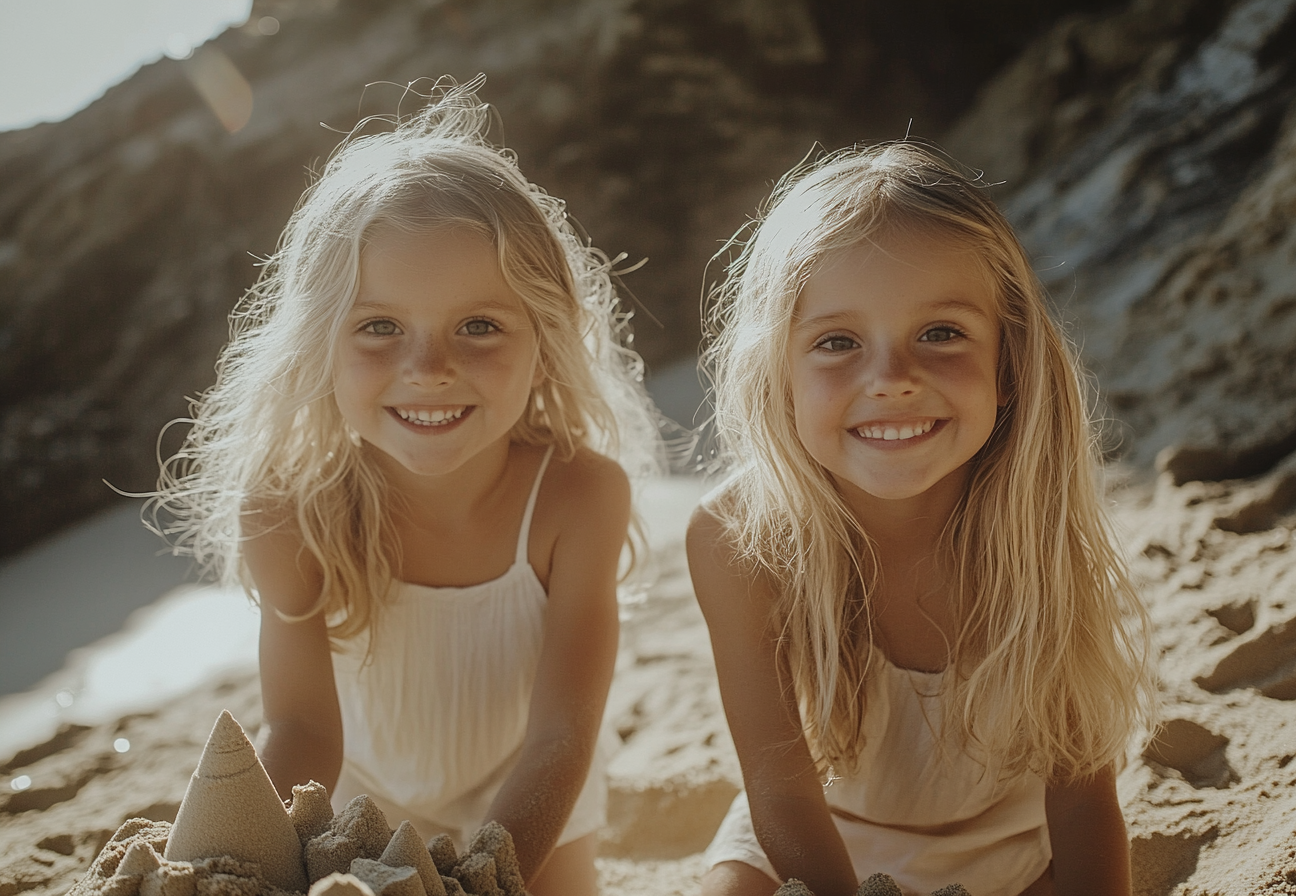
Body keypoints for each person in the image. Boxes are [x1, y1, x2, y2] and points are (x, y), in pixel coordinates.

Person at [153, 77, 662, 896]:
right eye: (379, 327)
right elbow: (303, 727)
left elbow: (563, 733)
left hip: (534, 795)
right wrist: (247, 861)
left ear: (547, 335)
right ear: (320, 342)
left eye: (479, 326)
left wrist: (491, 871)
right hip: (368, 803)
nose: (429, 370)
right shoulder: (287, 509)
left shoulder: (578, 497)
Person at [688, 143, 1155, 896]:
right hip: (813, 838)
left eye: (940, 333)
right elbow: (781, 794)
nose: (892, 380)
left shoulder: (1035, 526)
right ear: (779, 377)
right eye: (837, 343)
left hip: (1003, 847)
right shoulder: (737, 537)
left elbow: (1082, 801)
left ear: (1009, 365)